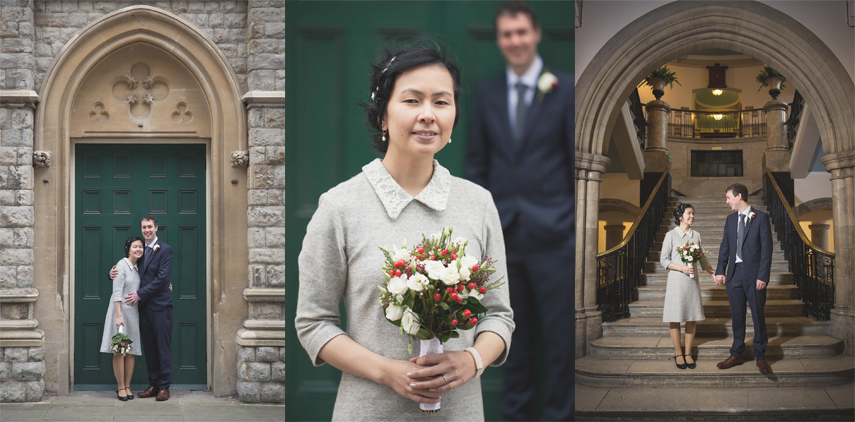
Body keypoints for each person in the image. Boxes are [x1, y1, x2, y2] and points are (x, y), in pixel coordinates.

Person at [294, 41, 514, 420]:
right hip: (367, 410)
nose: (428, 115)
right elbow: (314, 323)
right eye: (412, 101)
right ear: (382, 115)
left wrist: (472, 359)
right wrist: (388, 372)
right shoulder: (339, 207)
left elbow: (499, 316)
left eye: (441, 102)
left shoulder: (478, 204)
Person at [465, 2, 573, 420]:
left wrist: (566, 217)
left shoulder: (564, 89)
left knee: (561, 341)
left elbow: (574, 161)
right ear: (500, 40)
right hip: (505, 238)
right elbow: (478, 164)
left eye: (521, 32)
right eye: (507, 34)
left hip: (556, 237)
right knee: (510, 338)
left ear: (536, 34)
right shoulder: (488, 93)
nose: (515, 41)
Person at [111, 215, 175, 400]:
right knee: (150, 349)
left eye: (149, 227)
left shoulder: (165, 250)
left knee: (163, 348)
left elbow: (162, 278)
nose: (147, 230)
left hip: (161, 307)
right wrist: (111, 273)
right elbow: (125, 269)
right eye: (144, 227)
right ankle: (153, 384)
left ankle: (164, 387)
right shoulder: (140, 251)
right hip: (143, 310)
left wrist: (140, 294)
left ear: (156, 228)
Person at [714, 183, 773, 374]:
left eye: (728, 197)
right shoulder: (730, 220)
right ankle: (737, 354)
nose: (727, 201)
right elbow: (725, 247)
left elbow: (766, 250)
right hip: (734, 276)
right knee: (737, 317)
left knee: (758, 317)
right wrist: (720, 270)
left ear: (739, 196)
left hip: (754, 276)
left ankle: (760, 356)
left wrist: (762, 275)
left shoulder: (761, 217)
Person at [660, 204, 713, 369]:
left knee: (691, 317)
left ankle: (688, 353)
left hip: (691, 282)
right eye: (689, 213)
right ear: (680, 216)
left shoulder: (696, 235)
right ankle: (678, 353)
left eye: (693, 213)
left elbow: (702, 258)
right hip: (676, 282)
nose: (692, 216)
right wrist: (681, 268)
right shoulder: (670, 235)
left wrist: (712, 271)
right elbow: (664, 260)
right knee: (675, 318)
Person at [100, 237, 144, 401]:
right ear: (128, 249)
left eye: (140, 247)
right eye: (135, 247)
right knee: (119, 349)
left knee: (130, 351)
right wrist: (118, 316)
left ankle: (127, 386)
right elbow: (116, 292)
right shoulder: (121, 265)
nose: (138, 249)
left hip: (133, 313)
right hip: (120, 313)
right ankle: (120, 387)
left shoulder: (138, 267)